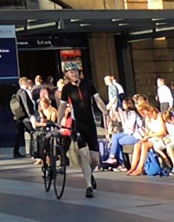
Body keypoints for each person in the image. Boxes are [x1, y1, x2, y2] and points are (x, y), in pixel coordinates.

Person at [60, 69, 103, 197]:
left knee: (95, 159)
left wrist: (105, 111)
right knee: (84, 156)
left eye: (75, 72)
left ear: (79, 73)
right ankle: (88, 186)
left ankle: (89, 173)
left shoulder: (88, 84)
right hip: (77, 125)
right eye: (70, 73)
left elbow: (97, 99)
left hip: (90, 124)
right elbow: (62, 106)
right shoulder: (66, 89)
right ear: (67, 75)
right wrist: (59, 120)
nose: (73, 74)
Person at [105, 95, 143, 169]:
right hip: (129, 133)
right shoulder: (127, 113)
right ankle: (119, 162)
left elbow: (130, 128)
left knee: (116, 139)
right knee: (115, 138)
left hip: (135, 135)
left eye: (123, 104)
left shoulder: (132, 113)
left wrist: (123, 118)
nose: (122, 105)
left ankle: (115, 159)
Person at [12, 77, 35, 159]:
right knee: (33, 132)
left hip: (19, 117)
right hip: (24, 117)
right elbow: (26, 105)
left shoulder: (18, 92)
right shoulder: (23, 92)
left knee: (19, 134)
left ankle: (16, 151)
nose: (27, 84)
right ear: (23, 83)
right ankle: (33, 151)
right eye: (26, 82)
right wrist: (30, 115)